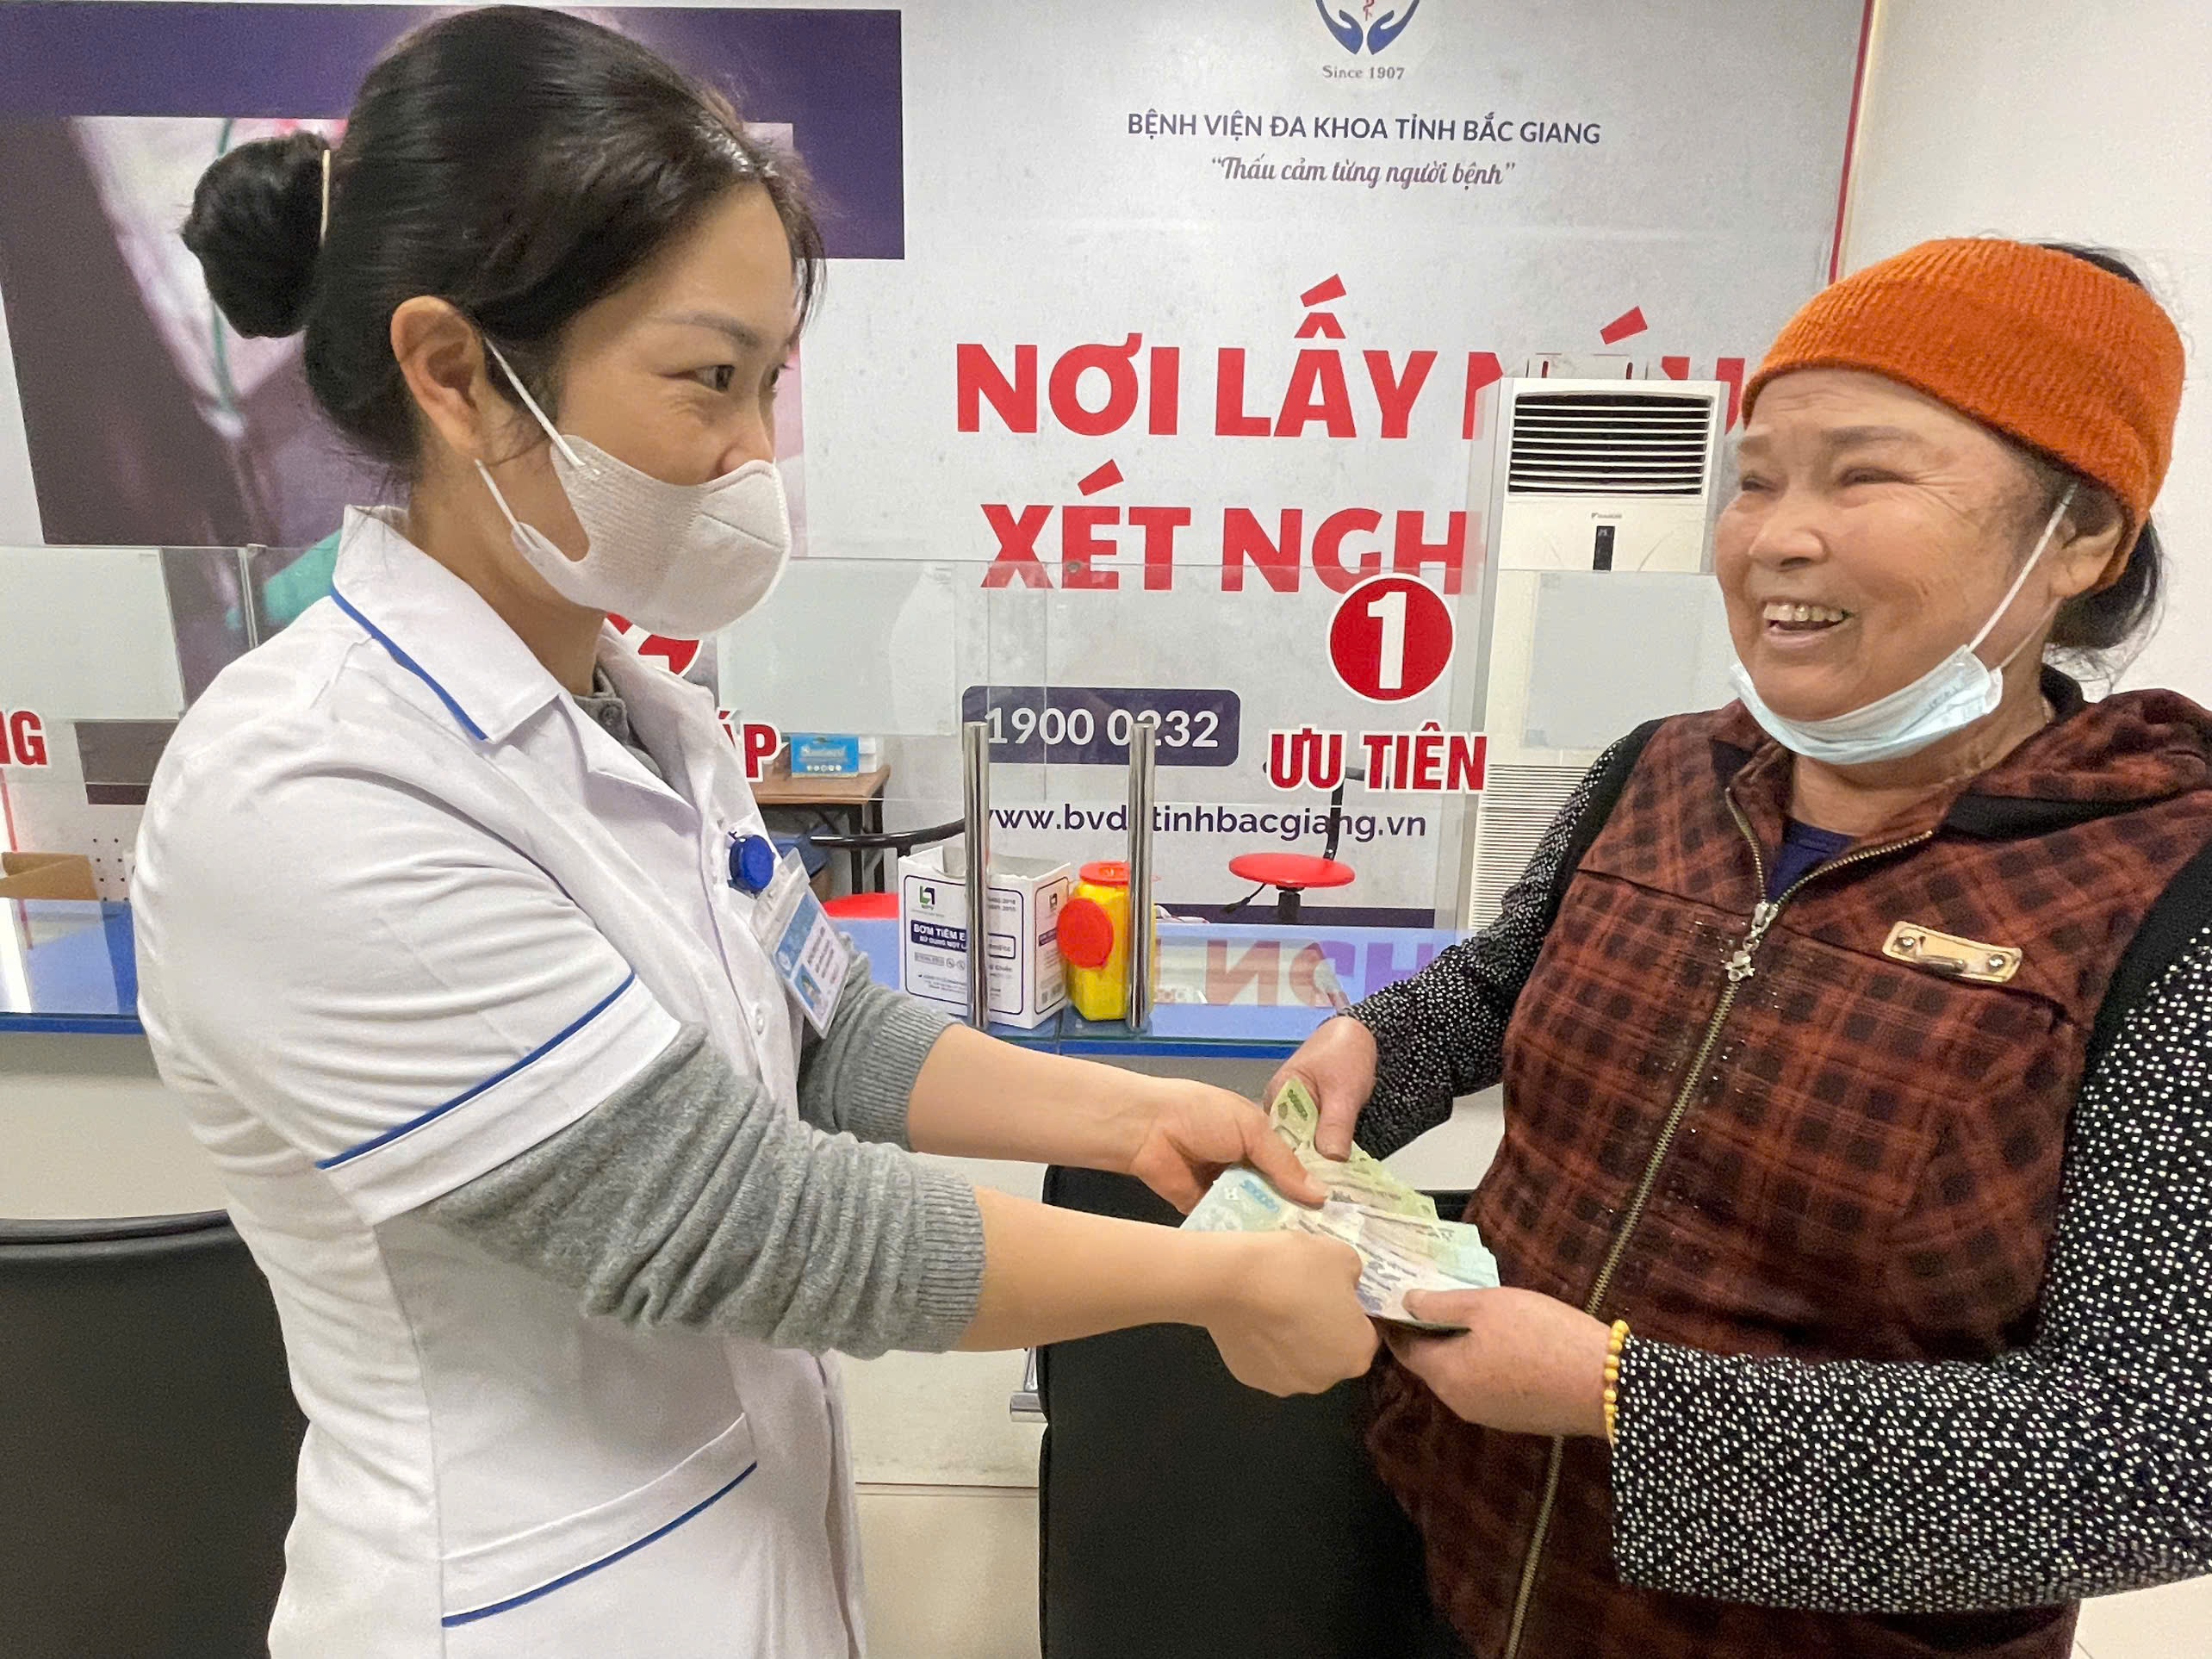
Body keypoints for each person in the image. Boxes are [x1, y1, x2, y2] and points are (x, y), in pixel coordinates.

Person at [134, 11, 1376, 1656]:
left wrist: (1137, 1109)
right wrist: (1211, 1282)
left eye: (772, 383)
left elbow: (827, 1028)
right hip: (516, 1608)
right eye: (709, 380)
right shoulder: (305, 793)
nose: (756, 457)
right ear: (455, 372)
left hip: (751, 1555)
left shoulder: (646, 714)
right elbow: (747, 1223)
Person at [1273, 237, 2212, 1658]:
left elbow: (2151, 1455)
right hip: (1464, 1559)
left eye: (1864, 476)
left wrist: (1627, 1402)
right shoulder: (1657, 771)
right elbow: (1497, 985)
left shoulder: (2165, 897)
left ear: (2080, 539)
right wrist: (1377, 1044)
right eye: (1756, 477)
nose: (1775, 536)